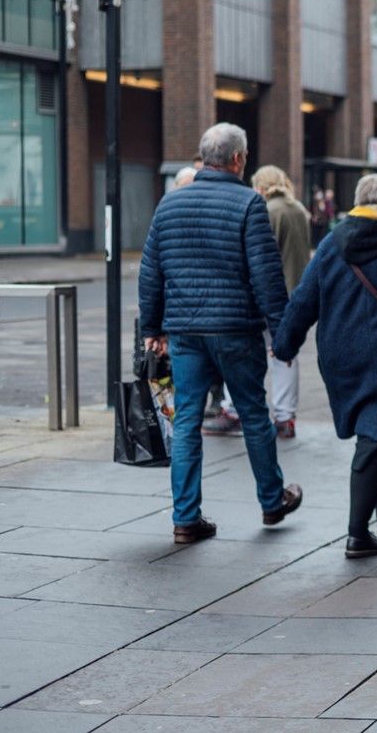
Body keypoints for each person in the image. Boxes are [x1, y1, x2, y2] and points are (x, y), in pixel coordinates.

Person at [138, 123, 303, 545]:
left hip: (185, 332)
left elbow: (150, 271)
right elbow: (267, 277)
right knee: (253, 415)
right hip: (235, 330)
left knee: (188, 419)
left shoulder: (169, 205)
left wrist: (152, 327)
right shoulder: (249, 204)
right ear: (237, 160)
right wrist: (282, 337)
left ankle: (185, 517)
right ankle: (271, 500)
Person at [273, 175, 377, 558]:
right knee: (375, 435)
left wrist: (285, 344)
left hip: (338, 356)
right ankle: (358, 534)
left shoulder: (331, 244)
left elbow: (303, 300)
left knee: (376, 430)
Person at [204, 165, 311, 440]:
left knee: (243, 350)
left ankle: (233, 410)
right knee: (285, 357)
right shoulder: (298, 209)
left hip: (267, 298)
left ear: (260, 186)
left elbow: (259, 258)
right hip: (295, 296)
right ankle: (286, 417)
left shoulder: (266, 210)